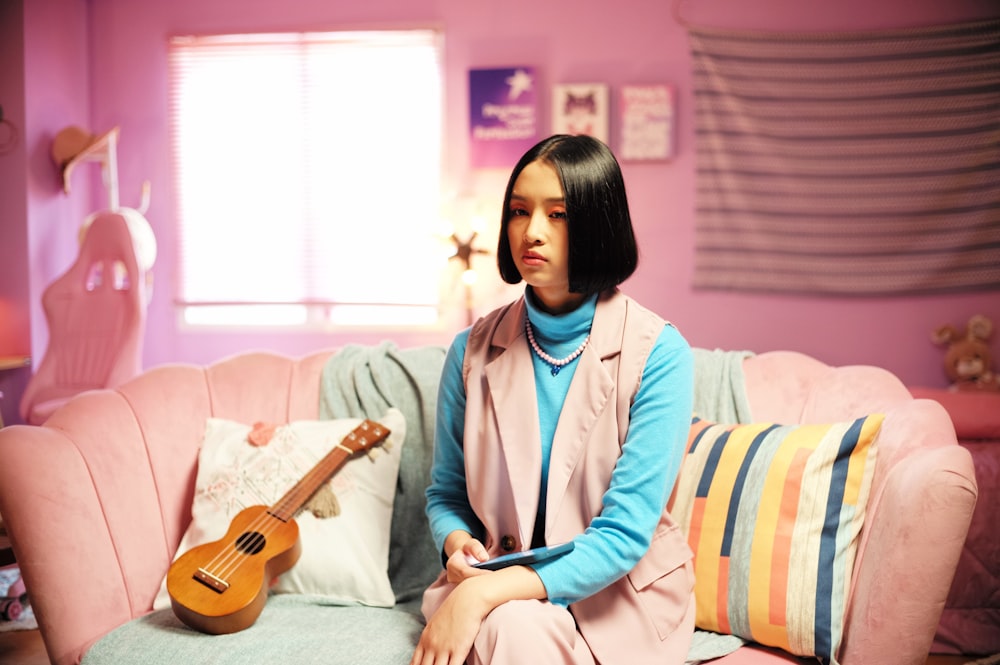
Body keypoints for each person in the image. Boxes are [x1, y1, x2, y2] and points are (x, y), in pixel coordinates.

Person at [412, 134, 695, 665]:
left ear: (598, 223)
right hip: (497, 591)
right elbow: (445, 495)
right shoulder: (470, 352)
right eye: (519, 211)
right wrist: (457, 549)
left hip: (618, 597)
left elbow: (625, 532)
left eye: (558, 214)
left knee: (509, 624)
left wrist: (483, 593)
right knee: (514, 627)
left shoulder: (660, 354)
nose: (532, 232)